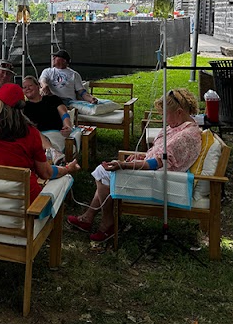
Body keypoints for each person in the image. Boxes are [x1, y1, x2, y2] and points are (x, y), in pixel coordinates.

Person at [67, 88, 202, 243]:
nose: (163, 118)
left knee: (103, 172)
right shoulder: (181, 127)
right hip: (157, 173)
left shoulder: (185, 136)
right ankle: (88, 218)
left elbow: (158, 163)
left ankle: (107, 223)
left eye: (165, 114)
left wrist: (125, 165)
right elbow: (164, 156)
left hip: (164, 182)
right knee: (105, 173)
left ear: (179, 112)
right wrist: (142, 156)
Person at [0, 83, 80, 200]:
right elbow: (45, 173)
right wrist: (67, 169)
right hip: (23, 204)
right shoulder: (31, 133)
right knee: (61, 182)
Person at [21, 75, 77, 164]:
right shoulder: (23, 107)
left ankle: (51, 157)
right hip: (35, 138)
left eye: (30, 85)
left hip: (55, 134)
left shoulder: (52, 99)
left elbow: (64, 114)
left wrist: (68, 126)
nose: (27, 88)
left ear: (38, 86)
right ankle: (53, 155)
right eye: (24, 87)